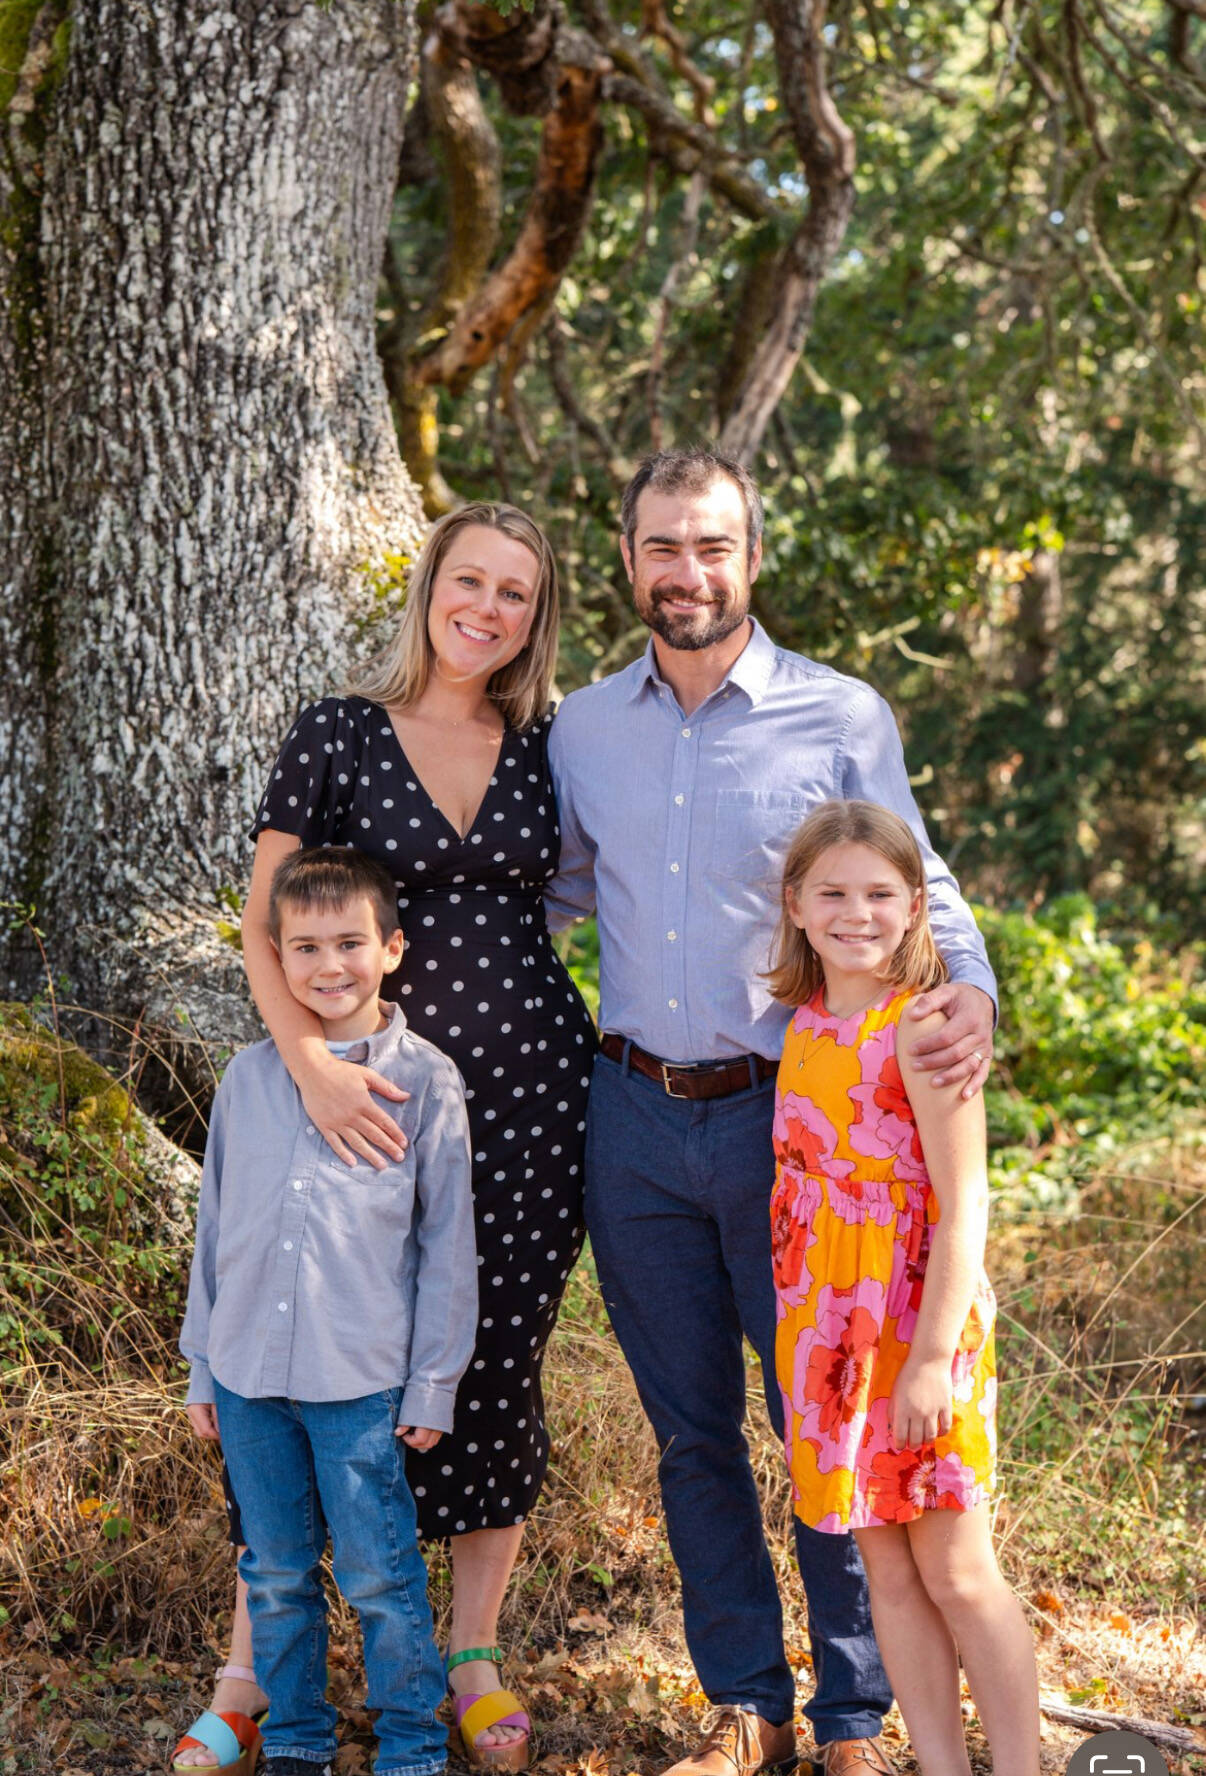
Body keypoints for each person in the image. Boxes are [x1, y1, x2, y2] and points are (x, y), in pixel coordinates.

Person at [546, 449, 999, 1776]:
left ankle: (855, 1717)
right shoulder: (581, 728)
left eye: (712, 547)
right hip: (628, 1122)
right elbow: (551, 890)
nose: (687, 573)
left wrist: (966, 987)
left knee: (826, 1426)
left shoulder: (838, 714)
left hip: (788, 1126)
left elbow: (917, 873)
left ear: (752, 554)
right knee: (691, 1435)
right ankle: (746, 1705)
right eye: (661, 549)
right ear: (626, 558)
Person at [175, 505, 594, 1772]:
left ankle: (469, 1654)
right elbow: (262, 925)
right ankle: (253, 1667)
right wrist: (308, 1068)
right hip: (353, 1103)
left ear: (538, 616)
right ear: (429, 588)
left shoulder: (548, 744)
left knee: (488, 1365)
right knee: (305, 1367)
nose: (489, 608)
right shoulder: (339, 730)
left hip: (527, 1106)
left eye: (516, 593)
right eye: (470, 580)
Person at [179, 847, 478, 1776]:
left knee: (381, 1576)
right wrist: (202, 1364)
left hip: (359, 1380)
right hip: (248, 1378)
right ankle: (299, 1740)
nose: (329, 965)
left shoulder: (427, 1082)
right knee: (272, 1576)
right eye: (304, 947)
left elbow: (445, 1246)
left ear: (391, 948)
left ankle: (413, 1743)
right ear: (277, 956)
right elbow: (216, 1228)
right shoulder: (249, 1079)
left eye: (350, 942)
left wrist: (433, 1384)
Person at [766, 800, 1039, 1774]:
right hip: (830, 1342)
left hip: (921, 1333)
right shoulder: (799, 1028)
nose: (857, 912)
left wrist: (930, 1361)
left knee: (958, 1571)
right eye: (832, 892)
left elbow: (966, 1204)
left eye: (880, 893)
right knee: (885, 1569)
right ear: (795, 903)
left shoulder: (921, 1025)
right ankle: (938, 1764)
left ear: (917, 905)